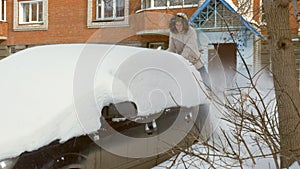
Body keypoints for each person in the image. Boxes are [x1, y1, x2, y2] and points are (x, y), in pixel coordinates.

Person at [167, 13, 211, 90]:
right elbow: (171, 48)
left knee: (203, 77)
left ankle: (210, 90)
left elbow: (188, 48)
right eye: (176, 25)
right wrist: (168, 57)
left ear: (184, 24)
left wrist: (180, 59)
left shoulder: (191, 32)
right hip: (181, 59)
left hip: (194, 59)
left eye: (180, 25)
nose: (178, 27)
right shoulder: (173, 33)